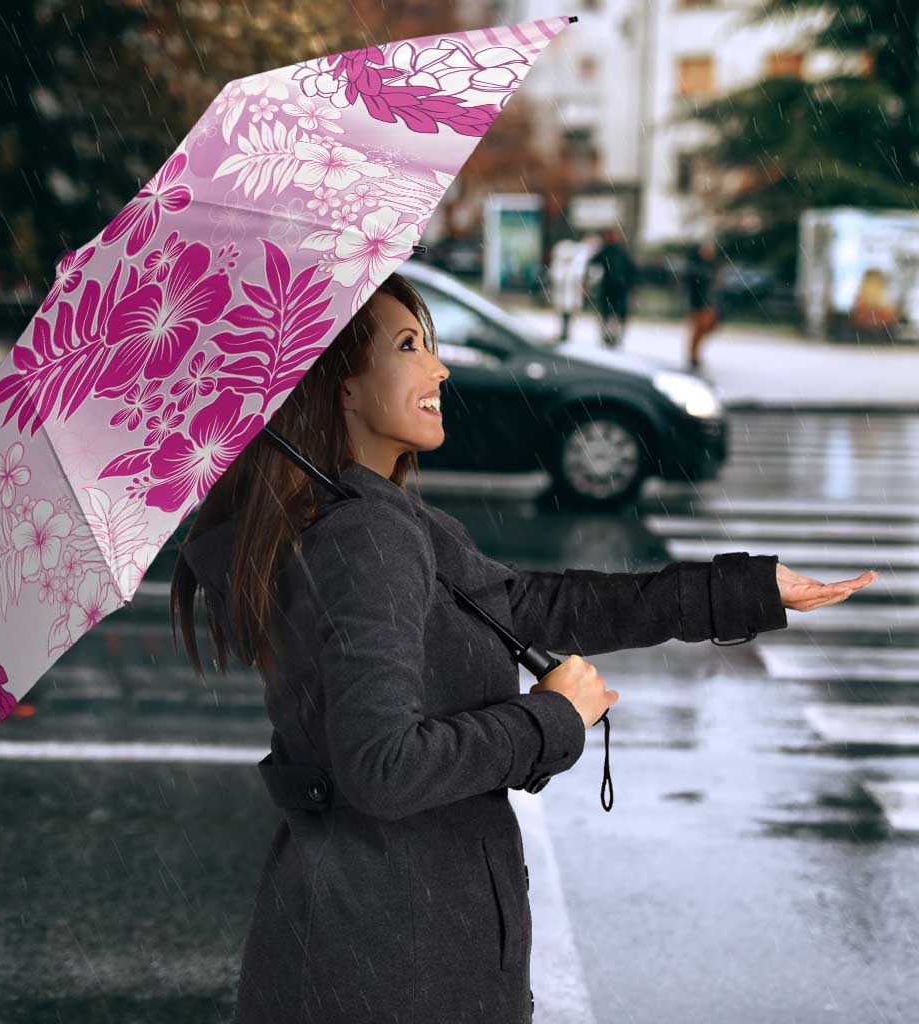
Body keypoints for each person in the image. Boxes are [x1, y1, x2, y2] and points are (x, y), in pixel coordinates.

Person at [171, 272, 867, 1024]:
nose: (439, 368)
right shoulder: (364, 537)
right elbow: (383, 767)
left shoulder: (368, 519)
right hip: (392, 963)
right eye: (410, 346)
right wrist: (551, 719)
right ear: (341, 386)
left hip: (372, 945)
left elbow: (536, 605)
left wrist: (745, 591)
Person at [587, 226, 637, 349]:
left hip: (618, 288)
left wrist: (630, 284)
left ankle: (614, 337)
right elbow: (593, 264)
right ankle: (608, 337)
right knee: (608, 314)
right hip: (610, 288)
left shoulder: (620, 252)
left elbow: (631, 270)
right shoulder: (607, 251)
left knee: (615, 315)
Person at [685, 239, 721, 370]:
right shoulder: (697, 267)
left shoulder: (712, 266)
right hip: (700, 303)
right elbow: (694, 286)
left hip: (709, 303)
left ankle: (694, 354)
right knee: (699, 329)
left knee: (707, 328)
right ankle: (693, 355)